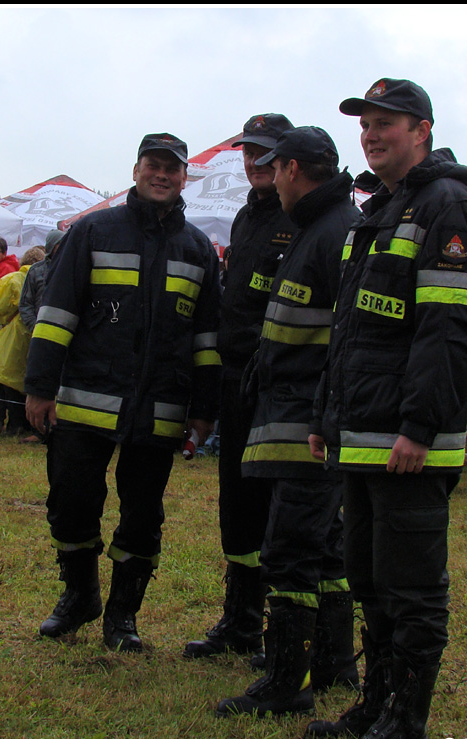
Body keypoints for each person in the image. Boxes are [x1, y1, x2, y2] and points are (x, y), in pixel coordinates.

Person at [305, 78, 467, 739]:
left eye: (387, 121)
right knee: (369, 580)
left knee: (412, 591)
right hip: (360, 437)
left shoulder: (448, 206)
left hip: (407, 442)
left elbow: (452, 331)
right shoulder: (376, 213)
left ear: (422, 129)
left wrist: (420, 427)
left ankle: (406, 728)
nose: (372, 133)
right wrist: (328, 417)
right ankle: (376, 704)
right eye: (366, 123)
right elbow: (351, 330)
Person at [24, 133, 222, 653]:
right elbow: (56, 314)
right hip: (87, 400)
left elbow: (206, 341)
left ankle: (123, 618)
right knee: (70, 503)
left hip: (160, 408)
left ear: (185, 178)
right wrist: (40, 388)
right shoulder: (92, 230)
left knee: (143, 515)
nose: (162, 175)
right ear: (136, 170)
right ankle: (80, 596)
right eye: (153, 165)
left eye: (172, 169)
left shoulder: (199, 249)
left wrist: (204, 410)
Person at [216, 126, 362, 719]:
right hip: (292, 410)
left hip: (308, 418)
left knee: (293, 550)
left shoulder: (334, 233)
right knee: (324, 548)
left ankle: (286, 684)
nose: (270, 179)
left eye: (275, 169)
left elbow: (349, 339)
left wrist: (324, 414)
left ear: (295, 169)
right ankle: (331, 664)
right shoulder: (318, 227)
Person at [183, 113, 297, 666]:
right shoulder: (246, 219)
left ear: (289, 161)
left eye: (266, 153)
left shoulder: (303, 216)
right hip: (235, 383)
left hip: (277, 384)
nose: (255, 161)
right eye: (249, 152)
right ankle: (241, 621)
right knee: (238, 506)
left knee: (283, 510)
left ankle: (288, 630)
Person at [0, 247, 46, 437]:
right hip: (38, 333)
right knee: (23, 381)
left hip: (13, 333)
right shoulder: (47, 277)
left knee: (1, 378)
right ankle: (19, 424)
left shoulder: (12, 279)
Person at [19, 229, 67, 332]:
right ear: (52, 246)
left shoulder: (73, 268)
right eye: (59, 244)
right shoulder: (36, 270)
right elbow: (25, 303)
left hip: (65, 328)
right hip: (40, 328)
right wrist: (34, 327)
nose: (64, 246)